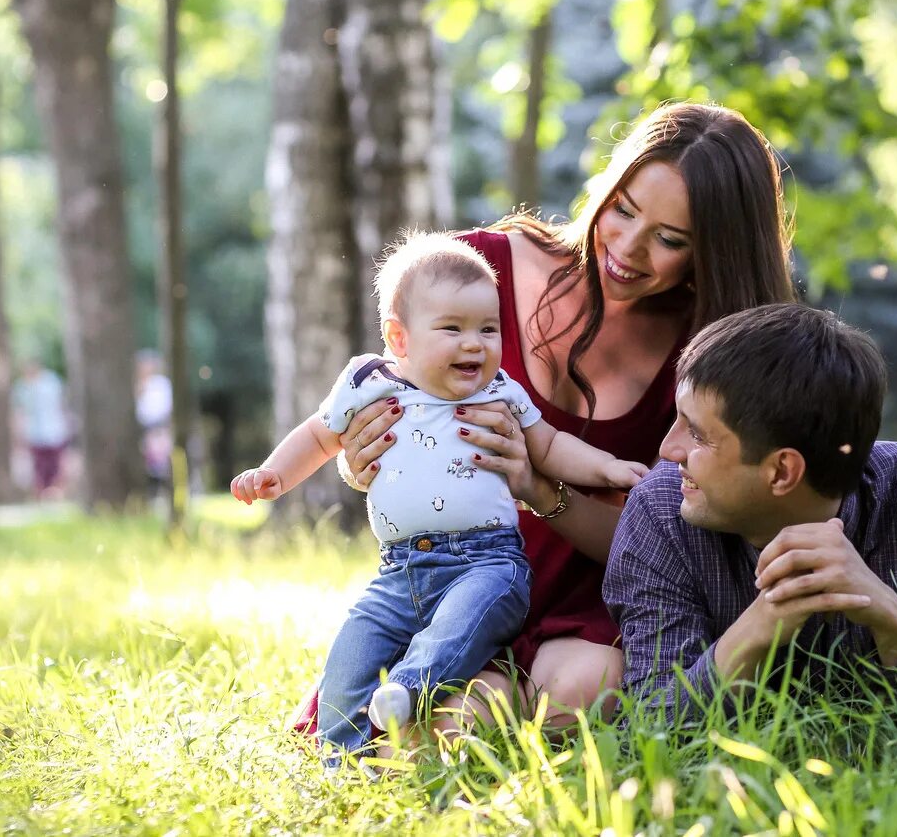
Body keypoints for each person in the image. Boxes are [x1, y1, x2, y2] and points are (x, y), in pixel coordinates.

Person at [334, 101, 797, 731]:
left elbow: (673, 544)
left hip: (593, 602)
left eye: (669, 240)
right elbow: (390, 401)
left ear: (713, 252)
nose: (628, 249)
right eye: (624, 210)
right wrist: (361, 457)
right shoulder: (476, 271)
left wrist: (539, 488)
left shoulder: (711, 356)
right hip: (450, 579)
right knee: (444, 722)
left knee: (579, 691)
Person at [233, 233, 648, 762]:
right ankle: (340, 757)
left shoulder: (499, 389)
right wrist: (273, 473)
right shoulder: (368, 381)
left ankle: (408, 689)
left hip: (488, 562)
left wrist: (607, 467)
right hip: (400, 569)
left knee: (460, 627)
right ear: (399, 338)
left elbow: (551, 446)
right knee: (353, 653)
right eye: (452, 329)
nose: (474, 343)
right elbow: (319, 436)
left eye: (488, 329)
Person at [604, 304, 897, 724]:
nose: (668, 449)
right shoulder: (661, 512)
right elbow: (648, 730)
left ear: (782, 470)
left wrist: (893, 622)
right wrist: (758, 628)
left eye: (697, 434)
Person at [11, 358, 71, 500]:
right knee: (39, 466)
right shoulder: (22, 387)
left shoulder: (51, 383)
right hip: (34, 433)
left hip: (54, 430)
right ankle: (41, 493)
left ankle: (56, 493)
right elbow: (20, 412)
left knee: (55, 465)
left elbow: (61, 404)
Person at [135, 350, 173, 495]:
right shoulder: (137, 385)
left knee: (161, 462)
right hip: (142, 429)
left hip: (159, 428)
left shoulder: (160, 384)